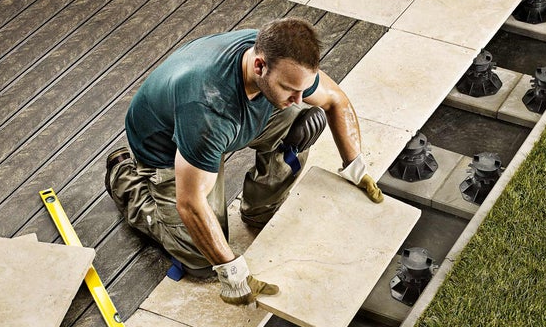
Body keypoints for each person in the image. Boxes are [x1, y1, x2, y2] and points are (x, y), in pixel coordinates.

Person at [105, 18, 382, 306]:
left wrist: (356, 168)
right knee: (201, 259)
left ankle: (259, 208)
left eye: (303, 88)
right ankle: (125, 176)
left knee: (301, 120)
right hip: (169, 146)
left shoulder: (278, 57)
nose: (299, 97)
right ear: (260, 66)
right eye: (289, 89)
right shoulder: (209, 107)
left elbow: (336, 100)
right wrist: (232, 273)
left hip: (211, 132)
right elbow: (189, 203)